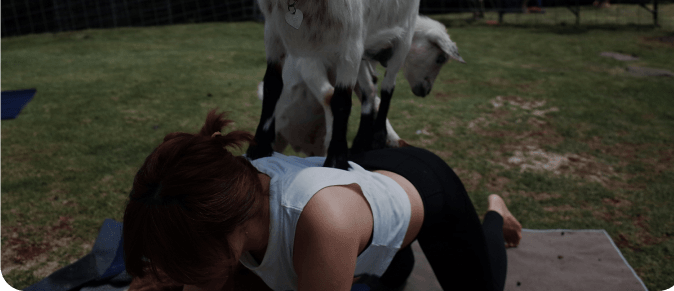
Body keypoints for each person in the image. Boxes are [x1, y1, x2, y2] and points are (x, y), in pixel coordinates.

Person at [123, 109, 522, 291]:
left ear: (231, 226)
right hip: (359, 176)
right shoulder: (226, 188)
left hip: (426, 190)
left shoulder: (322, 224)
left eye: (187, 263)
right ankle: (386, 249)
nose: (180, 275)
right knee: (391, 271)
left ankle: (494, 213)